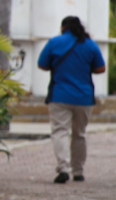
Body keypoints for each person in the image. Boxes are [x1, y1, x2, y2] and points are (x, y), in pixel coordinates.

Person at [38, 15, 105, 184]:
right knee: (80, 134)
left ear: (63, 28)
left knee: (60, 132)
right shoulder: (90, 44)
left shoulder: (54, 42)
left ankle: (63, 168)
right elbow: (100, 68)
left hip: (59, 95)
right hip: (83, 96)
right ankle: (78, 171)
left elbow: (42, 64)